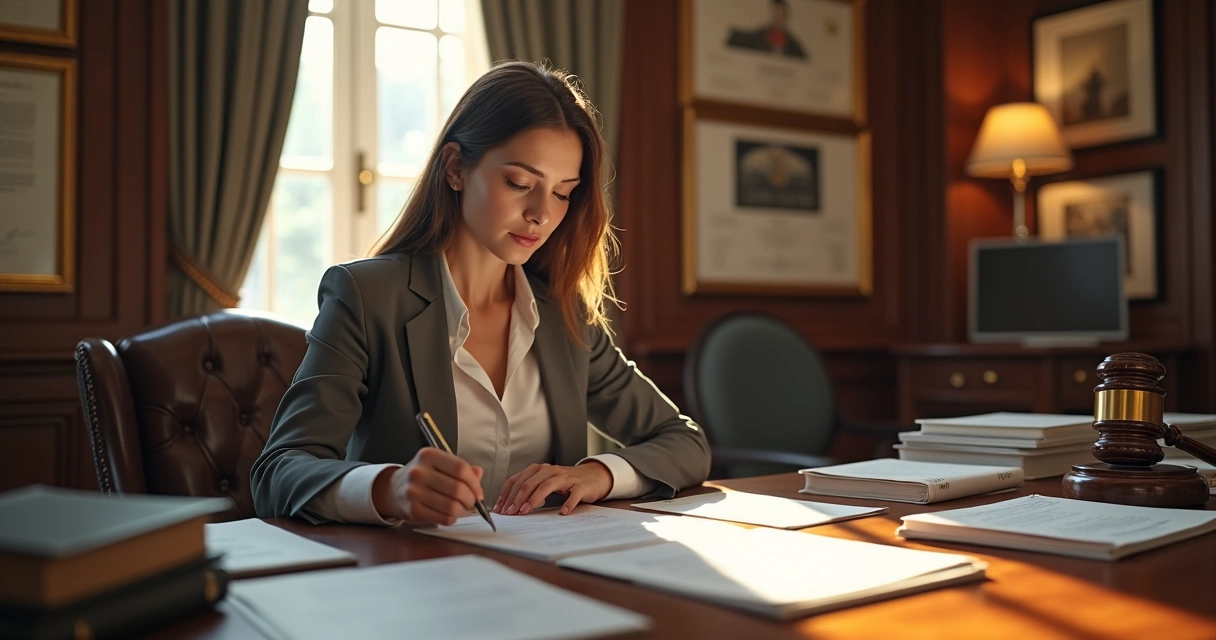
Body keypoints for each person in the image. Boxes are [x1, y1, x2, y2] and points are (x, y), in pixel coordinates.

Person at [251, 61, 711, 526]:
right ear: (455, 168)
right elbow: (278, 472)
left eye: (562, 193)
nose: (541, 214)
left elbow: (685, 441)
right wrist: (390, 488)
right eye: (519, 183)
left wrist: (598, 474)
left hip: (549, 562)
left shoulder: (565, 313)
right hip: (409, 564)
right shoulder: (368, 297)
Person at [725, 0, 808, 60]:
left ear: (786, 16)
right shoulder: (760, 36)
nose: (778, 18)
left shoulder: (793, 45)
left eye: (781, 14)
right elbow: (744, 39)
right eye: (776, 14)